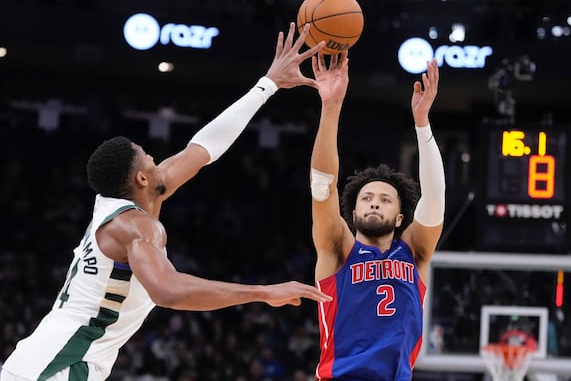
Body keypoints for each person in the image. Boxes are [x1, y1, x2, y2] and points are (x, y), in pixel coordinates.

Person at [0, 22, 332, 381]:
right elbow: (168, 291)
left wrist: (267, 85)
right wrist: (264, 292)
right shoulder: (135, 227)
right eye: (148, 158)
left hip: (49, 361)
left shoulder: (134, 199)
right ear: (142, 179)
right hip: (58, 367)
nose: (158, 160)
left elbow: (203, 148)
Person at [308, 52, 445, 380]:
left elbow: (435, 197)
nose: (374, 203)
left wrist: (422, 122)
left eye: (385, 200)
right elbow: (322, 185)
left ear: (400, 217)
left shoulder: (414, 252)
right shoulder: (338, 249)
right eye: (367, 198)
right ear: (353, 213)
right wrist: (331, 107)